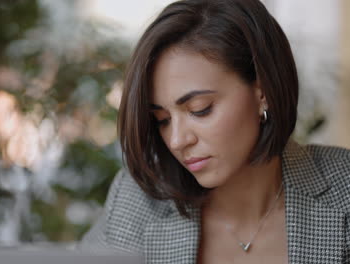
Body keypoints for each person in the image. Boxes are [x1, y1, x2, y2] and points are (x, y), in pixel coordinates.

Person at [80, 0, 350, 263]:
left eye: (200, 109)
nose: (177, 141)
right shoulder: (138, 199)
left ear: (263, 91)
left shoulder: (344, 189)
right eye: (162, 119)